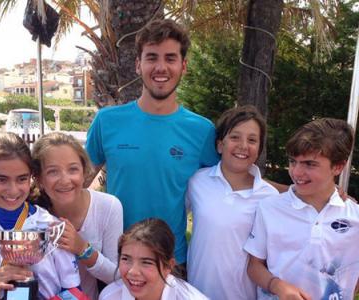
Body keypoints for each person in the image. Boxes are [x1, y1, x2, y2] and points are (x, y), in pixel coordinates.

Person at [85, 19, 219, 267]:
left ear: (183, 66)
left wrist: (292, 191)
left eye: (170, 58)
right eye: (151, 57)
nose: (160, 67)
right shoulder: (107, 121)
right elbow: (76, 181)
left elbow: (231, 184)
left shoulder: (201, 131)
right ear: (138, 65)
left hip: (171, 263)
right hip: (117, 260)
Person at [244, 118, 359, 299]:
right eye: (292, 161)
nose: (296, 172)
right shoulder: (270, 208)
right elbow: (254, 265)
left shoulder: (355, 217)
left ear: (338, 166)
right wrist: (278, 286)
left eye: (309, 164)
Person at [0, 132, 80, 299]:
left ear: (31, 176)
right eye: (1, 180)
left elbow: (74, 290)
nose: (13, 190)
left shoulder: (52, 227)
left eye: (22, 179)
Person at [186, 105, 279, 299]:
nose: (243, 145)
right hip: (196, 293)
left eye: (252, 140)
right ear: (220, 145)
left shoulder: (269, 197)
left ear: (259, 149)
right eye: (235, 137)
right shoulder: (197, 181)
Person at [31, 132, 123, 299]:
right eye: (53, 172)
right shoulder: (30, 212)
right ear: (39, 179)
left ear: (84, 171)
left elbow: (116, 276)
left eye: (73, 169)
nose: (65, 180)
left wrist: (83, 249)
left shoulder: (108, 206)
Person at [98, 218, 208, 300]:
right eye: (126, 259)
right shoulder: (109, 296)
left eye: (146, 262)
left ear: (168, 266)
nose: (133, 271)